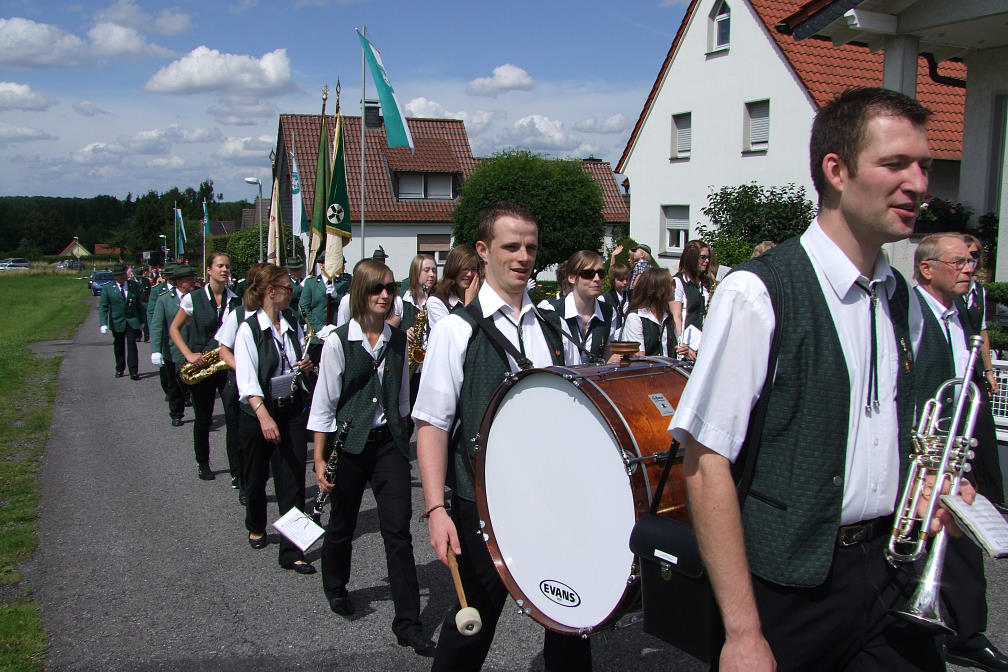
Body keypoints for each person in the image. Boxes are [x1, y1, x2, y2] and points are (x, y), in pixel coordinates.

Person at [670, 87, 967, 671]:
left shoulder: (906, 300)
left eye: (924, 167)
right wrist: (743, 633)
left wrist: (934, 486)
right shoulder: (758, 293)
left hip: (892, 574)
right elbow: (705, 465)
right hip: (790, 590)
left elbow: (913, 435)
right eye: (895, 164)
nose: (918, 184)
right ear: (836, 171)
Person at [412, 201, 588, 672]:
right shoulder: (455, 331)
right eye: (511, 246)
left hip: (552, 502)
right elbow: (431, 426)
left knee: (571, 619)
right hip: (483, 505)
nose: (523, 256)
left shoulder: (556, 329)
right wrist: (435, 510)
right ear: (483, 251)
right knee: (471, 626)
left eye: (530, 247)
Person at [306, 260, 435, 657]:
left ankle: (408, 622)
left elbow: (402, 397)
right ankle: (336, 586)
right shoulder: (338, 342)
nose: (384, 295)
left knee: (397, 531)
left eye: (389, 289)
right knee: (342, 522)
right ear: (360, 293)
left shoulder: (397, 340)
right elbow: (324, 404)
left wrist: (403, 430)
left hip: (388, 445)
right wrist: (319, 459)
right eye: (376, 288)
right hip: (349, 444)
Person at [912, 233, 1008, 671]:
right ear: (927, 268)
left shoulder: (962, 314)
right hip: (925, 447)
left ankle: (966, 633)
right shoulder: (910, 314)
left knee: (962, 537)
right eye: (959, 262)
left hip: (960, 441)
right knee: (920, 537)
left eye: (971, 261)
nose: (970, 268)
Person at [233, 264, 315, 574]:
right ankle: (256, 524)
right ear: (271, 291)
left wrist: (304, 365)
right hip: (258, 412)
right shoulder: (248, 329)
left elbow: (295, 359)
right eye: (287, 288)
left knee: (292, 479)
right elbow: (247, 381)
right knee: (255, 477)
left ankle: (292, 550)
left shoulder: (290, 321)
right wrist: (264, 417)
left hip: (290, 409)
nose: (292, 293)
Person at [169, 252, 240, 482]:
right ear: (209, 270)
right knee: (203, 417)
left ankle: (237, 472)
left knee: (233, 418)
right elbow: (174, 329)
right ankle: (203, 462)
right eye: (220, 266)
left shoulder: (235, 299)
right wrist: (188, 354)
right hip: (203, 364)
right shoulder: (194, 298)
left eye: (227, 266)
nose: (225, 270)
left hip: (226, 365)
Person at [214, 262, 270, 506]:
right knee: (240, 436)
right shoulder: (239, 314)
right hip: (240, 387)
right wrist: (244, 368)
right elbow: (223, 349)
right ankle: (243, 480)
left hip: (268, 389)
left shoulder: (281, 316)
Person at [542, 250, 618, 363]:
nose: (597, 278)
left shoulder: (609, 312)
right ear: (571, 278)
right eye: (588, 274)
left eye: (601, 273)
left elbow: (607, 354)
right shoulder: (551, 311)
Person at [150, 264, 196, 426]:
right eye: (189, 279)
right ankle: (176, 413)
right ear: (179, 282)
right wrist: (155, 350)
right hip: (173, 349)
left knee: (198, 386)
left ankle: (203, 415)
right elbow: (157, 325)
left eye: (193, 278)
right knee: (175, 385)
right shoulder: (164, 299)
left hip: (195, 348)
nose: (193, 281)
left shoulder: (198, 297)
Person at [962, 234, 1000, 397]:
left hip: (974, 366)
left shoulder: (979, 291)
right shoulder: (948, 290)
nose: (971, 258)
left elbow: (982, 332)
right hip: (952, 363)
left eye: (975, 254)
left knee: (981, 411)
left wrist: (989, 372)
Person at [98, 262, 146, 380]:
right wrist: (103, 323)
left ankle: (133, 371)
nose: (121, 277)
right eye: (118, 275)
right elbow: (103, 307)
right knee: (119, 345)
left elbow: (139, 305)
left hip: (131, 320)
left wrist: (142, 321)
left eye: (123, 274)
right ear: (115, 276)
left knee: (132, 345)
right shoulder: (108, 288)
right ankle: (119, 368)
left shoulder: (134, 286)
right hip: (117, 321)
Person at [299, 258, 351, 364]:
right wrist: (319, 328)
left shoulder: (344, 283)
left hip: (337, 333)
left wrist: (337, 296)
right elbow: (303, 307)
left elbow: (350, 305)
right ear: (321, 265)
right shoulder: (311, 283)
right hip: (317, 337)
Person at [620, 268, 677, 357]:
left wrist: (683, 351)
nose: (675, 287)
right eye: (672, 284)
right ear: (658, 288)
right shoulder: (636, 318)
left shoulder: (668, 317)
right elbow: (639, 358)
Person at [425, 245, 478, 330]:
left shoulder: (480, 298)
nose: (469, 274)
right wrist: (469, 305)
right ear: (453, 269)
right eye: (465, 268)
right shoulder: (436, 302)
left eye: (473, 269)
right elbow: (452, 334)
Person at [671, 239, 712, 340]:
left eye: (708, 257)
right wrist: (682, 342)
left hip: (699, 340)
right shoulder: (678, 282)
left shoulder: (703, 283)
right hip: (684, 342)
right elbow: (676, 317)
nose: (707, 261)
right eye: (703, 257)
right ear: (692, 258)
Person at [599, 262, 630, 331]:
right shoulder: (603, 299)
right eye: (621, 280)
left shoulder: (630, 297)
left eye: (627, 279)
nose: (625, 282)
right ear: (613, 280)